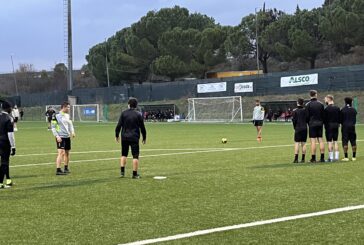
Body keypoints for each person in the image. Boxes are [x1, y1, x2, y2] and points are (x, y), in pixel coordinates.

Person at [115, 97, 146, 179]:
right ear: (136, 105)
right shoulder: (138, 114)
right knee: (135, 156)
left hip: (124, 137)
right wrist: (144, 137)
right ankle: (135, 174)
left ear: (128, 105)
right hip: (134, 137)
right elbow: (142, 128)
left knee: (123, 154)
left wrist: (117, 135)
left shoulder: (123, 113)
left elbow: (118, 126)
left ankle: (122, 173)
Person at [51, 102, 75, 175]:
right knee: (61, 153)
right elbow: (53, 127)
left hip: (67, 137)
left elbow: (70, 124)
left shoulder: (67, 116)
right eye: (67, 107)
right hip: (60, 137)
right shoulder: (56, 116)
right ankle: (58, 170)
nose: (68, 108)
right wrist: (57, 136)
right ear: (63, 107)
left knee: (67, 153)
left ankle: (66, 168)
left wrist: (73, 132)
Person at [306, 90, 325, 163]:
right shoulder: (321, 104)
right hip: (320, 124)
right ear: (316, 95)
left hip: (312, 124)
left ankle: (313, 158)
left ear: (310, 95)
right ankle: (322, 158)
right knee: (320, 140)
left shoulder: (308, 104)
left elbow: (307, 116)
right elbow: (323, 115)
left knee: (313, 141)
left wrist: (309, 123)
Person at [0, 101, 16, 189]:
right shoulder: (9, 118)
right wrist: (13, 146)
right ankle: (0, 183)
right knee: (4, 162)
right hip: (5, 142)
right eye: (11, 107)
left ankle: (8, 180)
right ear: (8, 108)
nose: (11, 109)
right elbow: (10, 134)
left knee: (4, 163)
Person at [324, 95, 340, 162]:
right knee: (335, 141)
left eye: (325, 99)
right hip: (336, 126)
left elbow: (324, 119)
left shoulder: (326, 109)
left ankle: (330, 158)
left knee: (329, 142)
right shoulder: (337, 108)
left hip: (329, 126)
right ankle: (336, 157)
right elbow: (340, 118)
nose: (324, 100)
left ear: (329, 99)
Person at [340, 97, 357, 162]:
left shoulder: (342, 110)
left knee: (345, 142)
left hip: (345, 128)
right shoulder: (354, 110)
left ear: (345, 102)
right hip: (352, 127)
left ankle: (346, 157)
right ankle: (354, 157)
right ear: (351, 102)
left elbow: (340, 120)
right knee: (353, 142)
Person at [292, 98, 307, 163]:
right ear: (303, 103)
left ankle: (296, 159)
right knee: (303, 143)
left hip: (298, 128)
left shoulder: (295, 111)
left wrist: (295, 127)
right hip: (304, 128)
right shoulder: (305, 110)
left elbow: (294, 121)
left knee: (297, 143)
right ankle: (303, 159)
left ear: (297, 103)